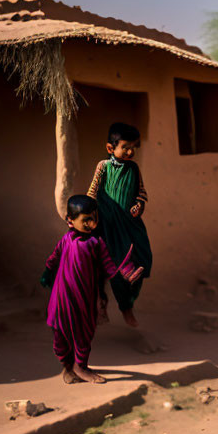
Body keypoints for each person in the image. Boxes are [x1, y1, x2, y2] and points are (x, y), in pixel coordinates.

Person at [42, 195, 143, 384]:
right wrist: (47, 272)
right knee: (59, 336)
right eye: (86, 219)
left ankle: (81, 366)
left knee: (83, 334)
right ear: (69, 220)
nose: (92, 223)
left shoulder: (97, 243)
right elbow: (54, 257)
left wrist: (125, 275)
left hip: (84, 298)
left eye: (94, 218)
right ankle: (68, 366)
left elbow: (109, 265)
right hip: (62, 297)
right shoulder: (66, 240)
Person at [87, 123, 152, 326]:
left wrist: (138, 205)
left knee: (143, 261)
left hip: (130, 226)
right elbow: (92, 192)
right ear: (110, 148)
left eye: (133, 146)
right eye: (125, 146)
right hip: (108, 227)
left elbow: (141, 192)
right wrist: (86, 216)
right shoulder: (103, 167)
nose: (130, 151)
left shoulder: (134, 168)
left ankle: (128, 301)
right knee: (115, 269)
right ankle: (123, 308)